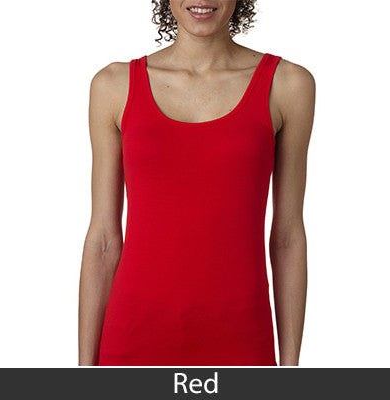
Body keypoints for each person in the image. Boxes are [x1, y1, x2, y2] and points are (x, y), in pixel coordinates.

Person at [78, 0, 315, 366]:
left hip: (241, 340)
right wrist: (83, 372)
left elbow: (287, 237)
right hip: (133, 338)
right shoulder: (113, 85)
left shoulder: (288, 84)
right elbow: (104, 239)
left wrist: (291, 369)